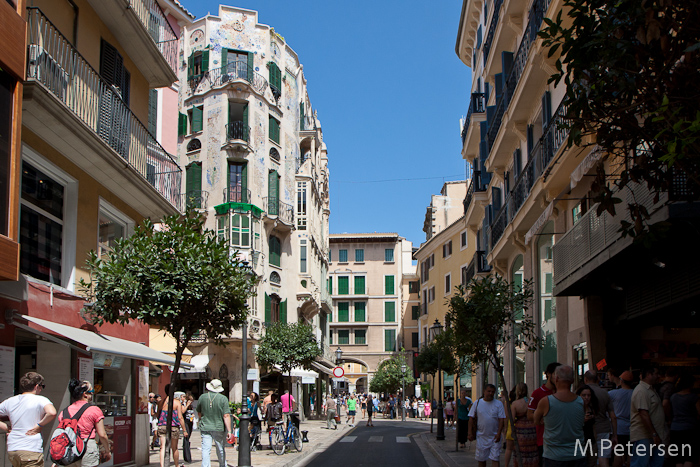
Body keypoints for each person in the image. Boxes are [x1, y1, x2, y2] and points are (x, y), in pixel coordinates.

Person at [0, 372, 57, 467]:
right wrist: (39, 425)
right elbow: (52, 412)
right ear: (36, 386)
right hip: (30, 448)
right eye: (42, 386)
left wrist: (7, 428)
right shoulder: (40, 399)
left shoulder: (10, 401)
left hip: (13, 449)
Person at [534, 365, 586, 467]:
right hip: (577, 454)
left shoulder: (546, 401)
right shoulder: (581, 401)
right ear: (572, 380)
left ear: (556, 378)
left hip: (554, 456)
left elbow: (535, 420)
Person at [57, 379, 111, 467]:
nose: (93, 394)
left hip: (69, 449)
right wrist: (107, 451)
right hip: (87, 447)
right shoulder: (94, 410)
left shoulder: (64, 412)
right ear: (85, 394)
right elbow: (102, 435)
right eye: (92, 391)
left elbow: (61, 434)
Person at [630, 365, 667, 467]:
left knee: (656, 463)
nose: (658, 376)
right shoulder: (641, 390)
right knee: (640, 463)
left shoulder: (650, 390)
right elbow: (643, 414)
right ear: (649, 375)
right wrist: (654, 434)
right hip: (645, 435)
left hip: (653, 435)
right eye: (656, 374)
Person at [528, 362, 561, 466]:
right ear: (549, 374)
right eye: (556, 374)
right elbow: (530, 414)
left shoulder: (561, 393)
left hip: (561, 438)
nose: (558, 377)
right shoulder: (537, 393)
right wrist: (542, 419)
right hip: (544, 440)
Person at [583, 370, 617, 467]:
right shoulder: (605, 393)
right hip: (603, 429)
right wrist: (614, 434)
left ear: (585, 380)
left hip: (587, 430)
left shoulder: (581, 393)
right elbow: (613, 416)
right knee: (604, 457)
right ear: (597, 379)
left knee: (589, 459)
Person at [196, 379, 232, 467]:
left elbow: (199, 412)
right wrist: (229, 431)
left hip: (205, 426)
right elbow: (226, 415)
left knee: (205, 449)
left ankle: (205, 466)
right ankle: (223, 465)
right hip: (218, 427)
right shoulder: (223, 399)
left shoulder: (202, 397)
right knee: (220, 448)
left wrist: (203, 420)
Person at [468, 384, 506, 467]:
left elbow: (501, 419)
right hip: (481, 436)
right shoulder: (477, 403)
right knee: (481, 459)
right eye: (488, 391)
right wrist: (470, 432)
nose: (490, 393)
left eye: (492, 392)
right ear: (484, 391)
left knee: (495, 458)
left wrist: (499, 433)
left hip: (495, 437)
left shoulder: (498, 404)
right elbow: (471, 418)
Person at [668, 374, 699, 467]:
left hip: (675, 429)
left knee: (679, 458)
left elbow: (668, 408)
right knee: (689, 456)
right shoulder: (694, 397)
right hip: (690, 429)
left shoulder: (673, 397)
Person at [158, 384, 188, 467]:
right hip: (173, 426)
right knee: (174, 448)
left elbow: (158, 414)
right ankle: (176, 465)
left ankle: (161, 465)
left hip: (162, 425)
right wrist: (184, 429)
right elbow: (180, 417)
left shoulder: (161, 402)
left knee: (162, 447)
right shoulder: (176, 402)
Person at [610, 371, 634, 467]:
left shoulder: (613, 393)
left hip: (618, 428)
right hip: (632, 428)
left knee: (618, 452)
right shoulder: (635, 393)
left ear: (621, 381)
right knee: (630, 452)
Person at [511, 383, 537, 467]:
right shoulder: (531, 401)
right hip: (532, 429)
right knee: (532, 451)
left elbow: (512, 419)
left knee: (520, 452)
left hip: (520, 430)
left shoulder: (515, 404)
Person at [576, 385, 599, 467]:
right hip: (580, 443)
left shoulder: (592, 408)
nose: (586, 398)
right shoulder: (575, 409)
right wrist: (582, 420)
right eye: (584, 395)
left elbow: (594, 427)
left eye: (588, 395)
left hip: (591, 442)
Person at [181, 393, 195, 464]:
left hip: (190, 422)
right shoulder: (183, 405)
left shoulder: (191, 406)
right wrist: (186, 405)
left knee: (188, 438)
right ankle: (187, 457)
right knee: (186, 438)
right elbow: (182, 411)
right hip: (185, 423)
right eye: (190, 401)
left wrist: (193, 415)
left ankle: (187, 455)